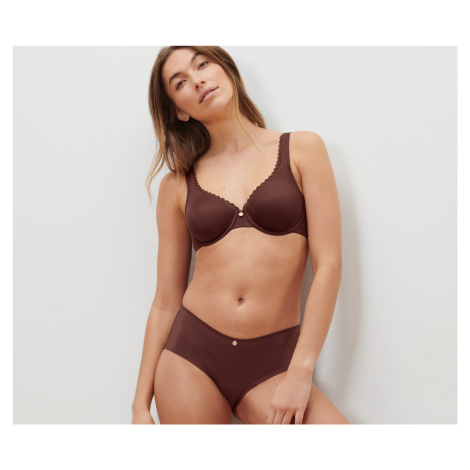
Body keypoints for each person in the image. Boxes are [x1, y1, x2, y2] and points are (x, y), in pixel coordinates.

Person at [131, 46, 349, 425]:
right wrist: (138, 406)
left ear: (226, 69)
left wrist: (300, 371)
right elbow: (166, 301)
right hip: (191, 358)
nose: (197, 80)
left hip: (275, 362)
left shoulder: (302, 149)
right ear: (179, 110)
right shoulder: (176, 186)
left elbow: (329, 266)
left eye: (202, 64)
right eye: (180, 82)